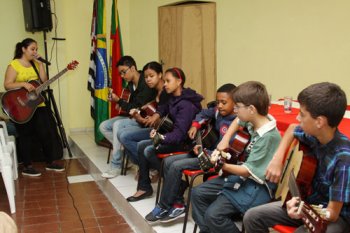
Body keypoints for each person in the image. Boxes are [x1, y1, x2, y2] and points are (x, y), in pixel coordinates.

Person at [243, 82, 350, 233]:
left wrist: (303, 209)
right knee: (252, 216)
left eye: (302, 114)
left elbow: (332, 213)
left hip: (333, 217)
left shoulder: (343, 158)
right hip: (307, 202)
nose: (298, 117)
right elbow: (292, 129)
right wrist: (277, 159)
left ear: (319, 122)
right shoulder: (314, 135)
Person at [191, 81, 281, 233]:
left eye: (238, 107)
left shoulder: (268, 137)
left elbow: (248, 171)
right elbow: (237, 121)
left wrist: (222, 165)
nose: (235, 109)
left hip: (257, 186)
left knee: (214, 216)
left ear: (251, 109)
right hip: (241, 177)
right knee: (197, 193)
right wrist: (226, 138)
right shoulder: (255, 119)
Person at [144, 83, 237, 223]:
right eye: (218, 102)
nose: (220, 106)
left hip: (212, 158)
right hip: (203, 151)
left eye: (224, 102)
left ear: (235, 103)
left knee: (176, 166)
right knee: (168, 161)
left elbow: (225, 152)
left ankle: (164, 206)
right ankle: (178, 203)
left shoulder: (236, 123)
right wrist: (195, 125)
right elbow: (204, 112)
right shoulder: (218, 111)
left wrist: (205, 151)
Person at [126, 67, 203, 203]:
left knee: (149, 149)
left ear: (179, 81)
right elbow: (163, 109)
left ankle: (175, 182)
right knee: (141, 145)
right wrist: (157, 128)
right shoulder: (172, 97)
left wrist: (160, 138)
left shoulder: (186, 104)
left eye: (168, 81)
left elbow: (179, 135)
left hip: (184, 144)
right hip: (173, 138)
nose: (165, 84)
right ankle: (144, 187)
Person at [3, 38, 64, 176]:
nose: (35, 51)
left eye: (36, 49)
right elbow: (7, 85)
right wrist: (23, 84)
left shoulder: (35, 64)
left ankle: (50, 162)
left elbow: (44, 81)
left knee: (46, 132)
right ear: (23, 49)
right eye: (32, 49)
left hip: (38, 104)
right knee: (26, 135)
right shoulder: (14, 65)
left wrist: (40, 64)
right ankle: (27, 166)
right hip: (22, 106)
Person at [100, 56, 157, 179]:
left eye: (123, 72)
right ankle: (128, 154)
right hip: (132, 116)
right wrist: (119, 104)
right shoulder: (130, 84)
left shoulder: (145, 83)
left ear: (132, 68)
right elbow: (129, 106)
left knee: (117, 125)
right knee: (104, 126)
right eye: (120, 73)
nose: (122, 75)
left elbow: (137, 106)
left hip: (142, 118)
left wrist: (119, 101)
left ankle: (116, 165)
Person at [117, 61, 169, 166]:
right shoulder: (155, 91)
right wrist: (138, 115)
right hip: (156, 129)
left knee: (125, 137)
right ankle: (146, 166)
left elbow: (158, 122)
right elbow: (151, 120)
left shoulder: (166, 92)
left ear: (160, 75)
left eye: (151, 76)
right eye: (146, 77)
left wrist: (137, 117)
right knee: (122, 136)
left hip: (164, 132)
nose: (148, 79)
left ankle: (150, 166)